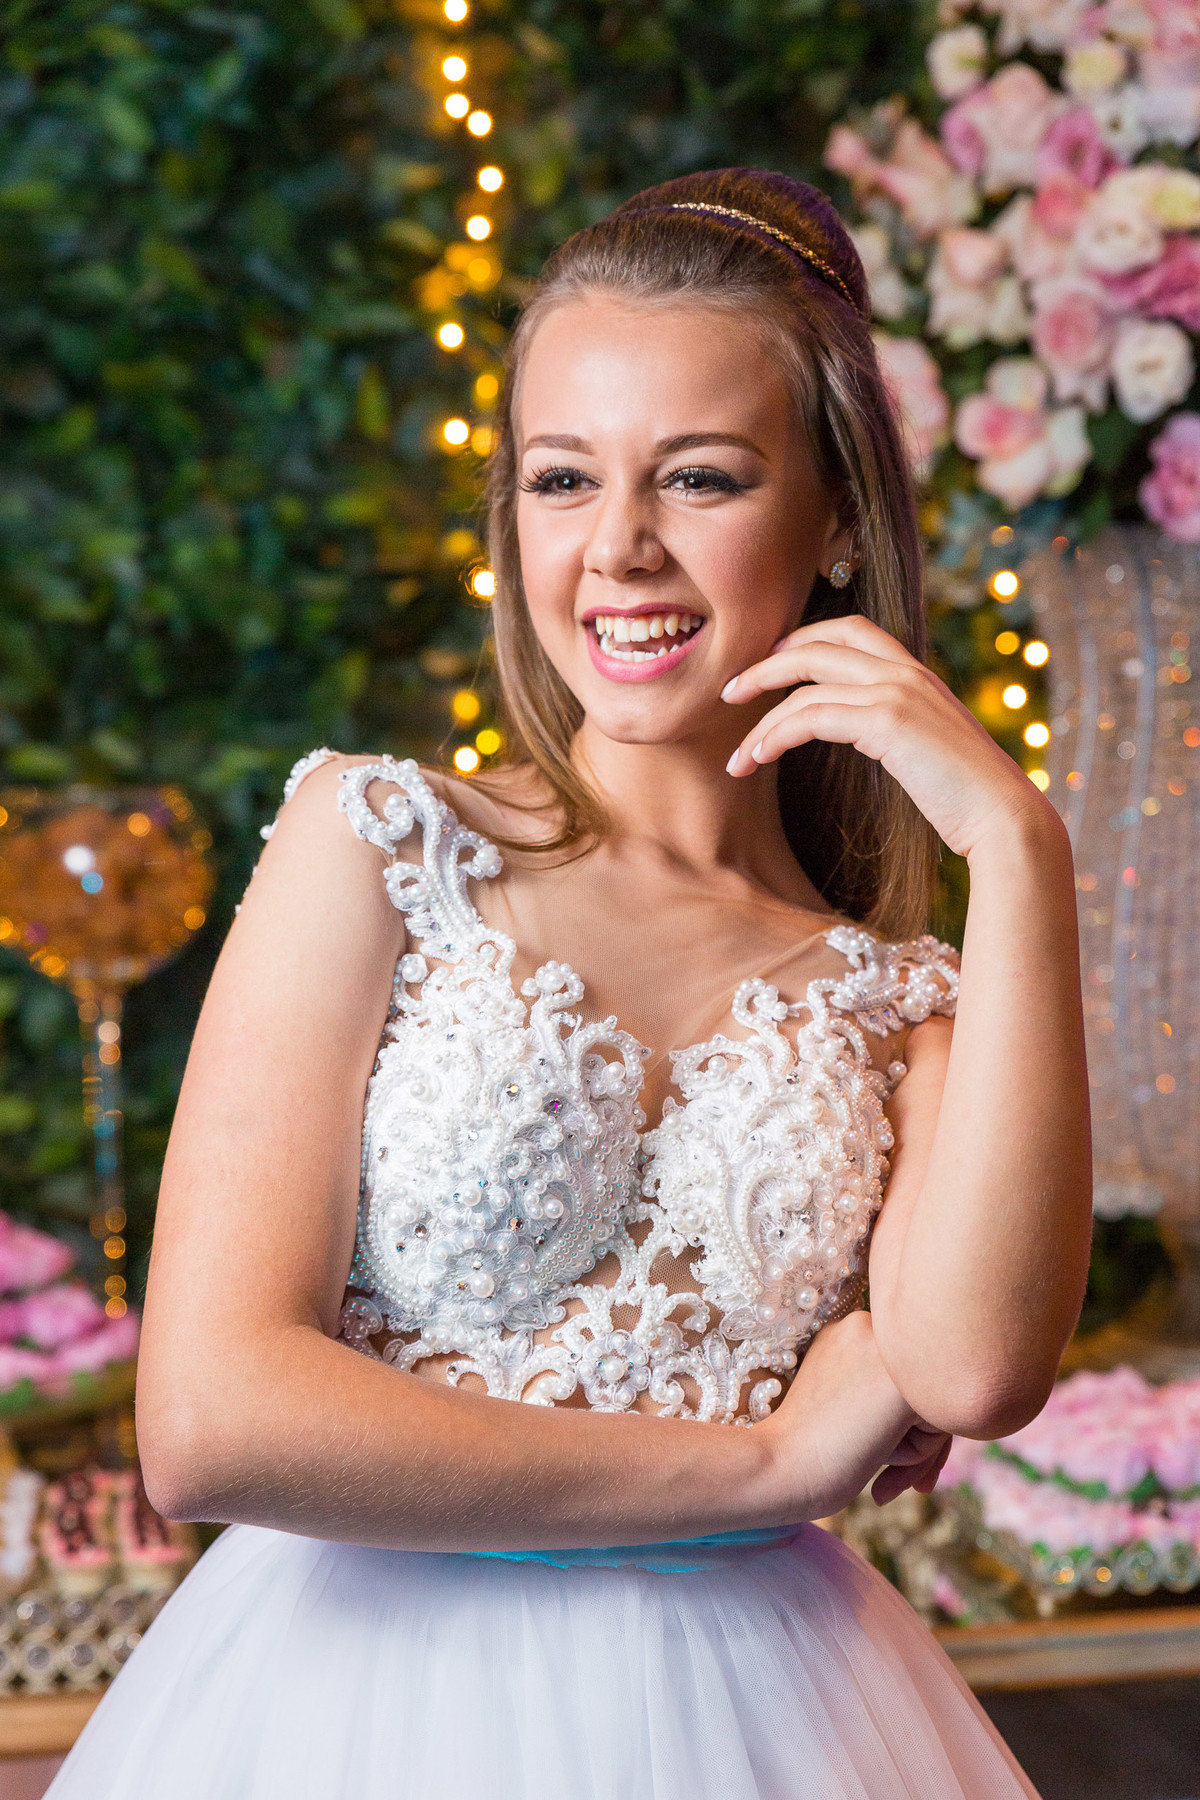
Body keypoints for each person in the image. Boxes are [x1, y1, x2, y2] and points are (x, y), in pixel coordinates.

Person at [47, 168, 1091, 1800]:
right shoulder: (381, 846)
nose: (618, 550)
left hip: (776, 1727)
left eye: (699, 477)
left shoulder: (902, 1001)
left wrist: (1020, 849)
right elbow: (208, 1418)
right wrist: (756, 1465)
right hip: (348, 1721)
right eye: (560, 480)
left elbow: (974, 1368)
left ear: (832, 524)